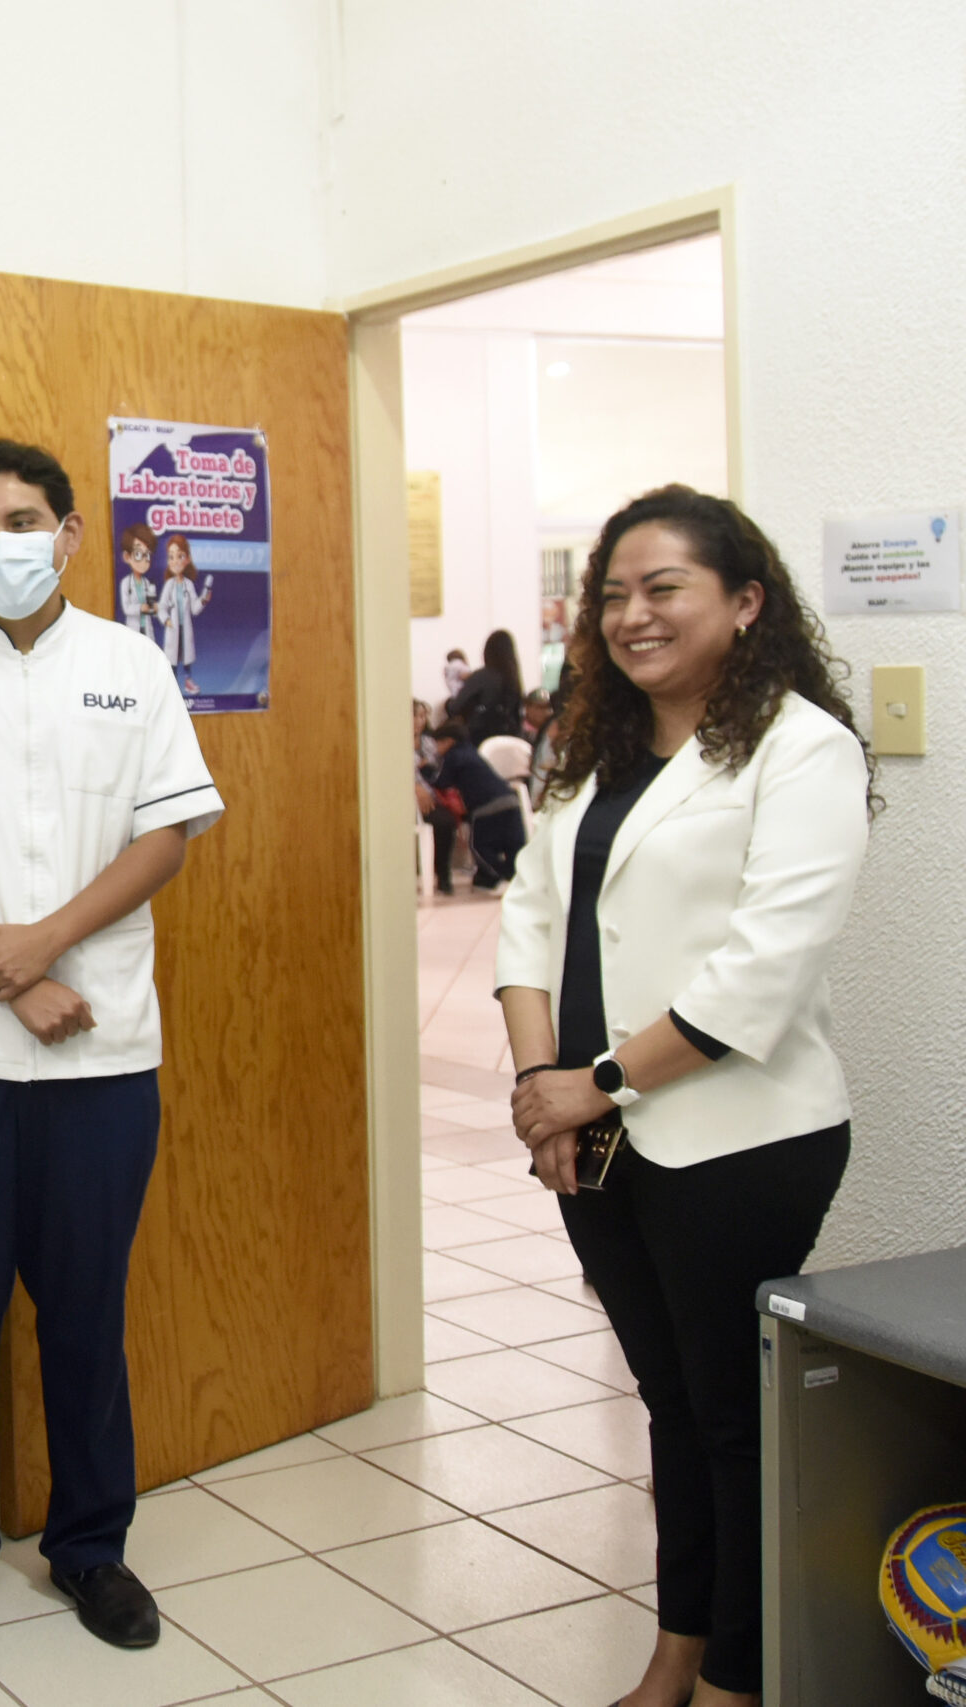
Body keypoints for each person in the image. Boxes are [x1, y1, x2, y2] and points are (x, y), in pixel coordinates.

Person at [500, 487, 872, 1707]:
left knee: (728, 1418)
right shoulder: (592, 752)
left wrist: (591, 1086)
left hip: (739, 1139)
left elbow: (761, 972)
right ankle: (677, 1651)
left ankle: (739, 1679)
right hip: (596, 1141)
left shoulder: (801, 749)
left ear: (745, 602)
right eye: (612, 594)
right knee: (667, 1407)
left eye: (663, 589)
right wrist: (537, 1087)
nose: (632, 615)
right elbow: (528, 918)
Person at [0, 439, 222, 1654]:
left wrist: (47, 945)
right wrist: (2, 969)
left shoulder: (131, 664)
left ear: (68, 533)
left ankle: (90, 1547)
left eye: (21, 521)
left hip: (97, 1058)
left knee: (83, 1315)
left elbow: (166, 834)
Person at [426, 719, 525, 890]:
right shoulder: (472, 752)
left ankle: (503, 875)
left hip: (486, 808)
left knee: (480, 846)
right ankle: (510, 878)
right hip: (510, 801)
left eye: (437, 744)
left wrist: (425, 770)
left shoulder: (453, 756)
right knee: (513, 846)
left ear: (448, 741)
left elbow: (442, 782)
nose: (436, 749)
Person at [154, 534, 215, 695]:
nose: (175, 561)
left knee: (186, 657)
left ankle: (188, 682)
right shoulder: (169, 585)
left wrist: (203, 600)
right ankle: (171, 684)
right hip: (173, 627)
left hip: (185, 629)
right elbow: (162, 607)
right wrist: (166, 620)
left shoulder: (189, 585)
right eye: (171, 557)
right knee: (172, 659)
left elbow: (194, 608)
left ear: (187, 559)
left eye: (180, 556)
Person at [449, 627, 525, 743]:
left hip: (481, 739)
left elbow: (455, 707)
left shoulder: (481, 677)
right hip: (511, 739)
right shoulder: (514, 680)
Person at [116, 523, 158, 640]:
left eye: (147, 555)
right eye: (138, 554)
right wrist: (140, 608)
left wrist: (155, 609)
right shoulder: (125, 583)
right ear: (127, 557)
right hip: (133, 628)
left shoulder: (147, 583)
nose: (144, 560)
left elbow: (151, 607)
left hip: (147, 629)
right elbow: (126, 608)